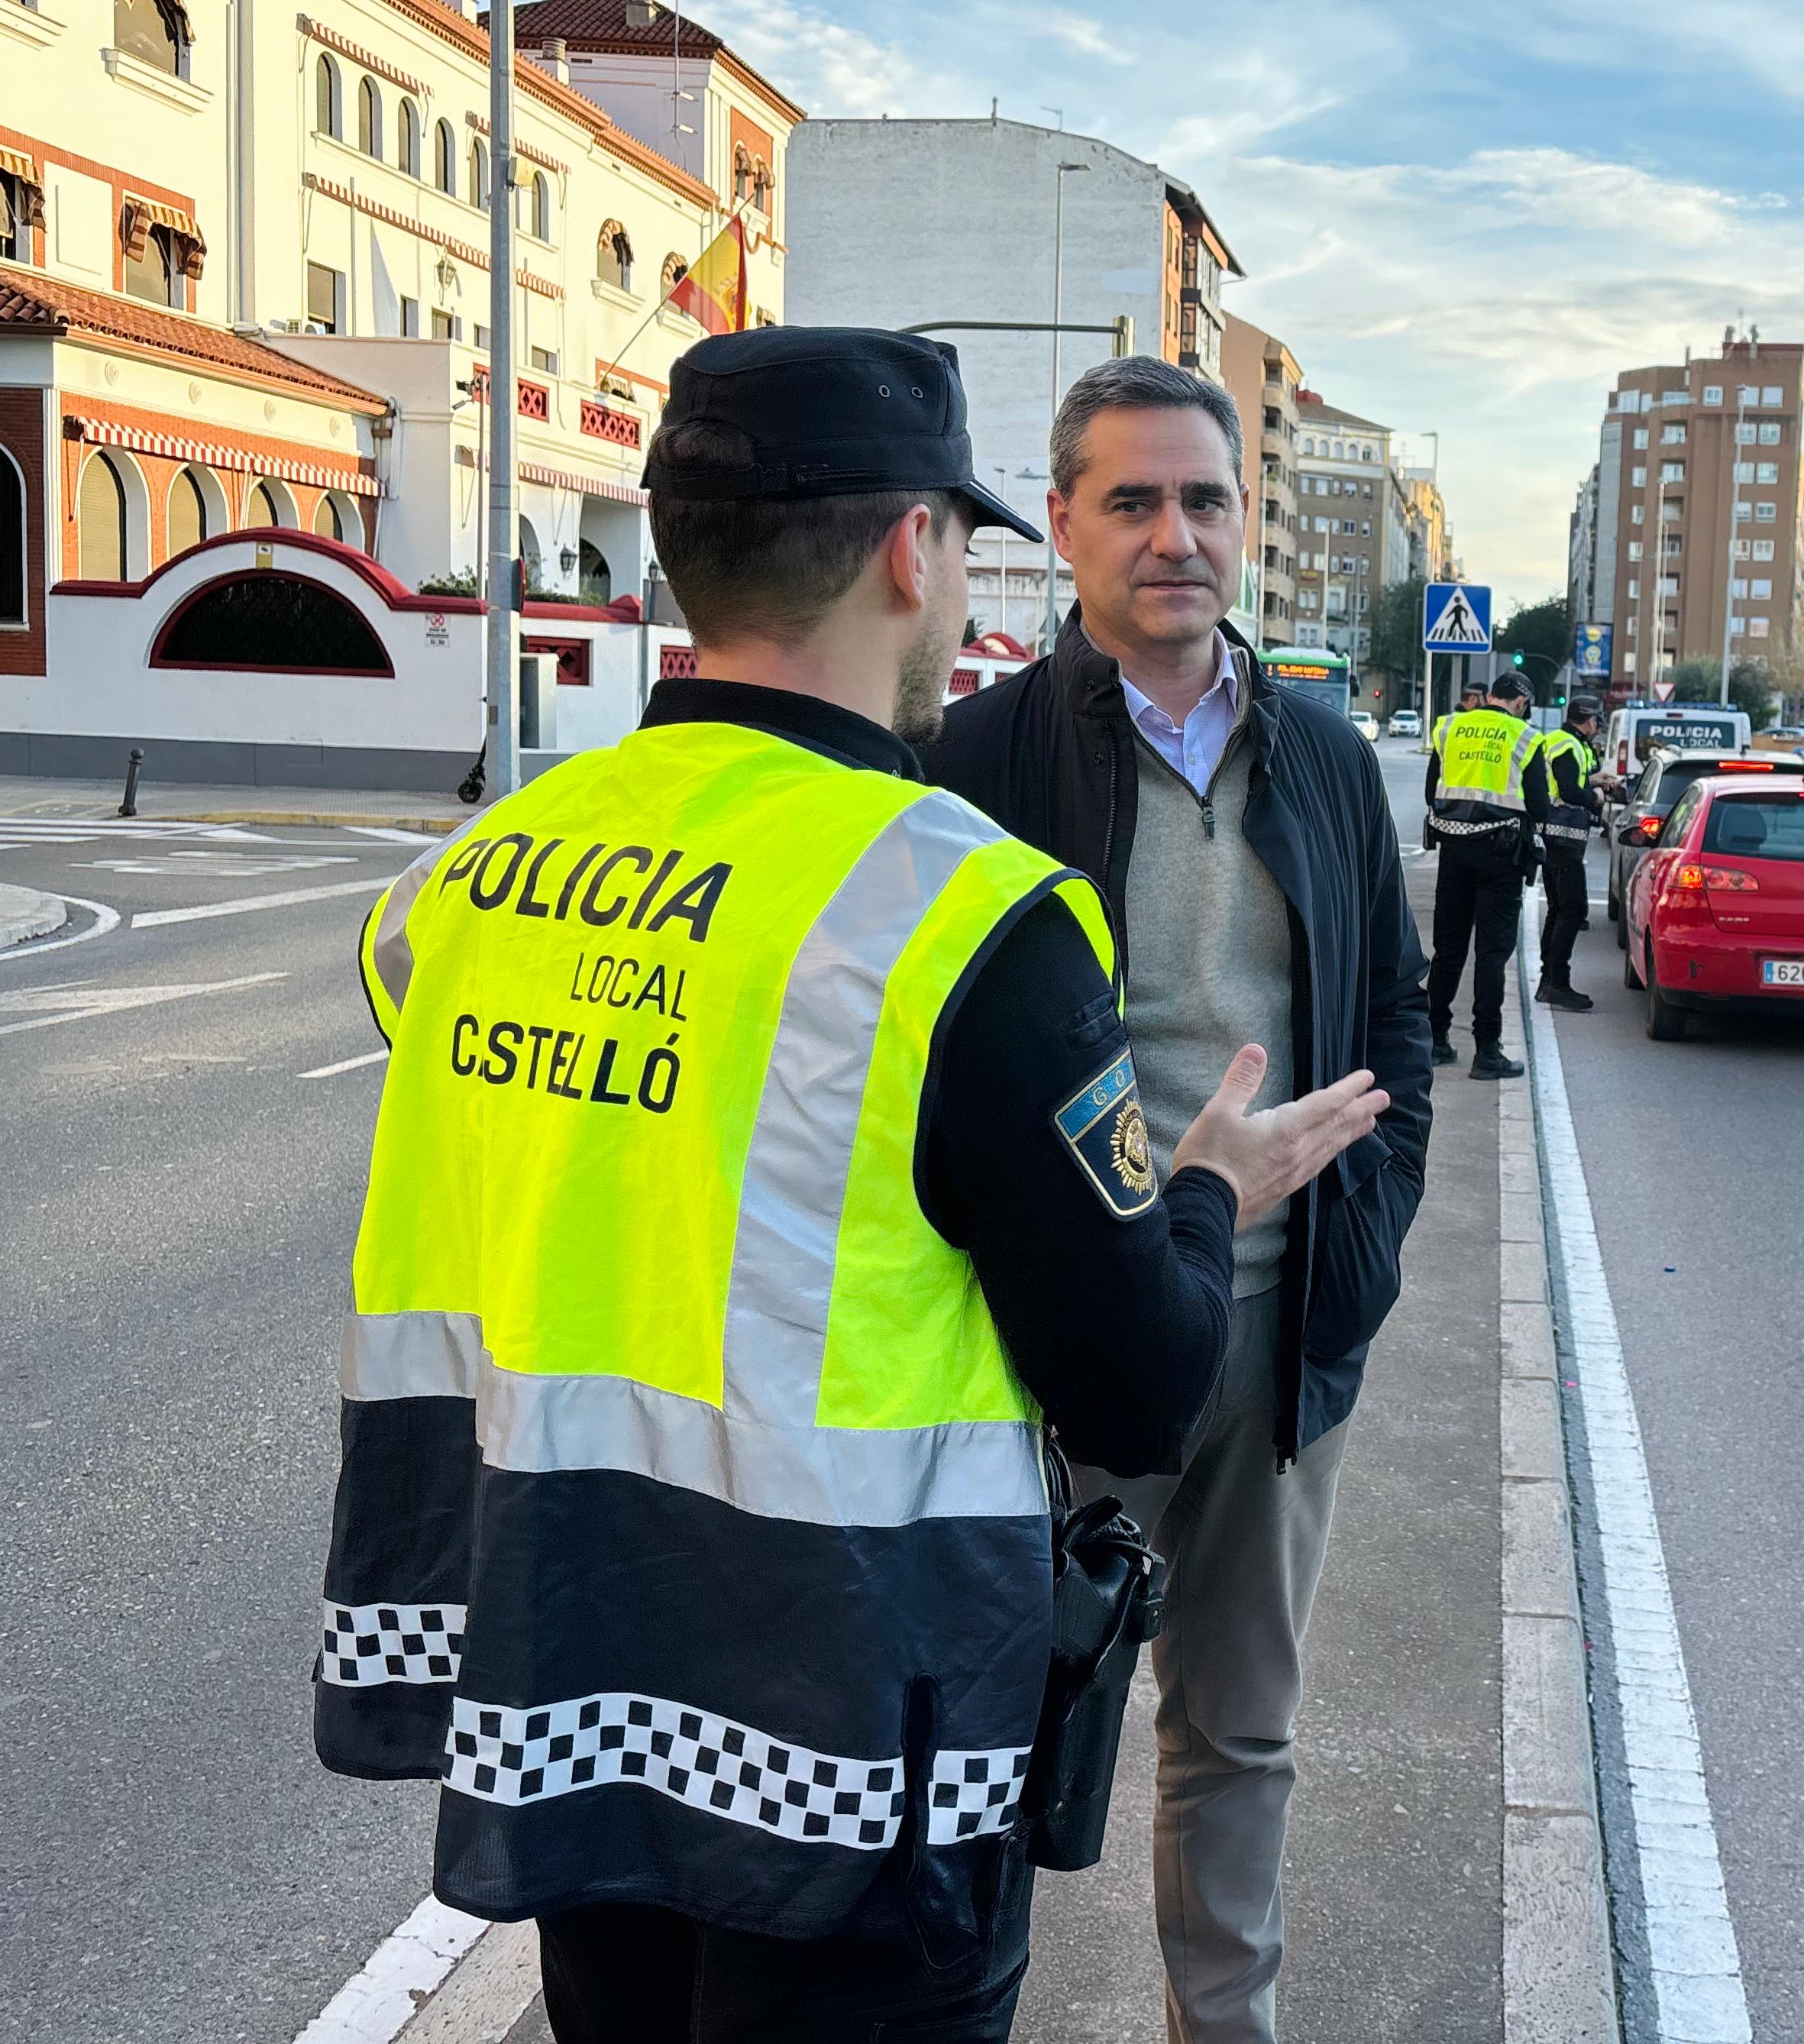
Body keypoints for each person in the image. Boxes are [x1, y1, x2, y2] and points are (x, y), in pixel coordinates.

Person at [314, 328, 1386, 2044]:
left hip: (566, 1668)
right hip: (844, 1718)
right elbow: (1142, 1370)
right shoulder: (963, 915)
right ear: (916, 549)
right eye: (966, 541)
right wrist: (1204, 1188)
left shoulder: (477, 874)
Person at [924, 354, 1434, 2044]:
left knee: (1240, 1733)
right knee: (996, 1723)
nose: (1173, 535)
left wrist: (1359, 1255)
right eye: (1131, 501)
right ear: (1060, 523)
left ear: (1246, 525)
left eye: (1204, 499)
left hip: (1277, 1341)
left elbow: (1398, 1025)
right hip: (1058, 1347)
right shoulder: (980, 759)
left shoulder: (1329, 762)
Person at [1426, 668, 1541, 1078]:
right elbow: (1540, 807)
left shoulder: (1451, 726)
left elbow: (1431, 792)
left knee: (1449, 950)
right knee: (1491, 956)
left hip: (1454, 850)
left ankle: (1435, 1041)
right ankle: (1487, 1052)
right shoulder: (1525, 737)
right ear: (1521, 702)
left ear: (1491, 695)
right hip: (1502, 856)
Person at [1534, 695, 1605, 1011]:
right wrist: (1596, 797)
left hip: (1556, 836)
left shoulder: (1563, 740)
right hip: (1562, 837)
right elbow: (1568, 791)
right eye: (1597, 720)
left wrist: (1594, 780)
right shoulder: (1567, 744)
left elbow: (1566, 781)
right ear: (1587, 720)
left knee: (1558, 908)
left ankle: (1548, 980)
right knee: (1574, 909)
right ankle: (1557, 983)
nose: (1598, 726)